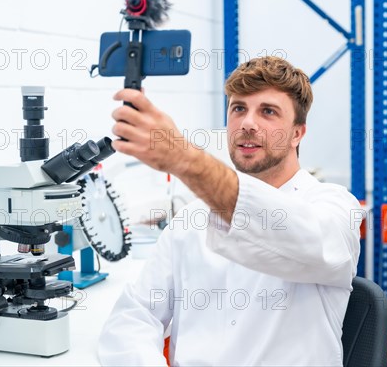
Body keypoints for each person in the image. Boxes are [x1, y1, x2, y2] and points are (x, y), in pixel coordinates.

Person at [98, 56, 363, 366]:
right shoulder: (191, 218)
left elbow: (300, 234)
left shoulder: (334, 206)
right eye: (238, 108)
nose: (248, 123)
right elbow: (134, 316)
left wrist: (185, 160)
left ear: (297, 134)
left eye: (268, 111)